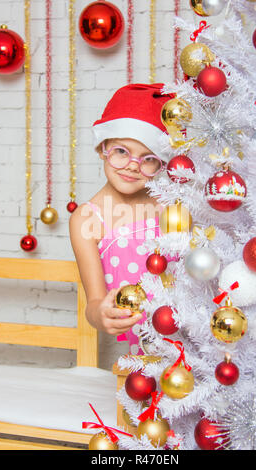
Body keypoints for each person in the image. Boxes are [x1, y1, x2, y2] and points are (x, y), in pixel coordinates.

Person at [69, 83, 176, 355]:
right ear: (103, 148)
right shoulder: (87, 219)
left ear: (162, 165)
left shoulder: (170, 207)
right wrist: (100, 315)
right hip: (142, 351)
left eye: (148, 158)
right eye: (121, 151)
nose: (132, 165)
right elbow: (94, 303)